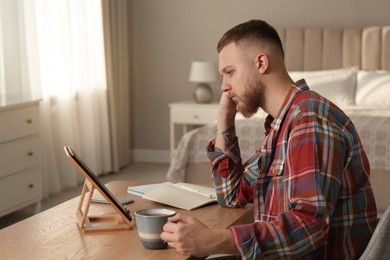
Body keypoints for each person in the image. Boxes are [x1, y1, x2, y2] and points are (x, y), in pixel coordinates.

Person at [161, 20, 378, 259]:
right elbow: (232, 195)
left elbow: (309, 225)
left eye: (230, 72)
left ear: (261, 63)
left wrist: (216, 240)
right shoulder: (281, 124)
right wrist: (224, 118)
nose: (224, 87)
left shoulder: (308, 121)